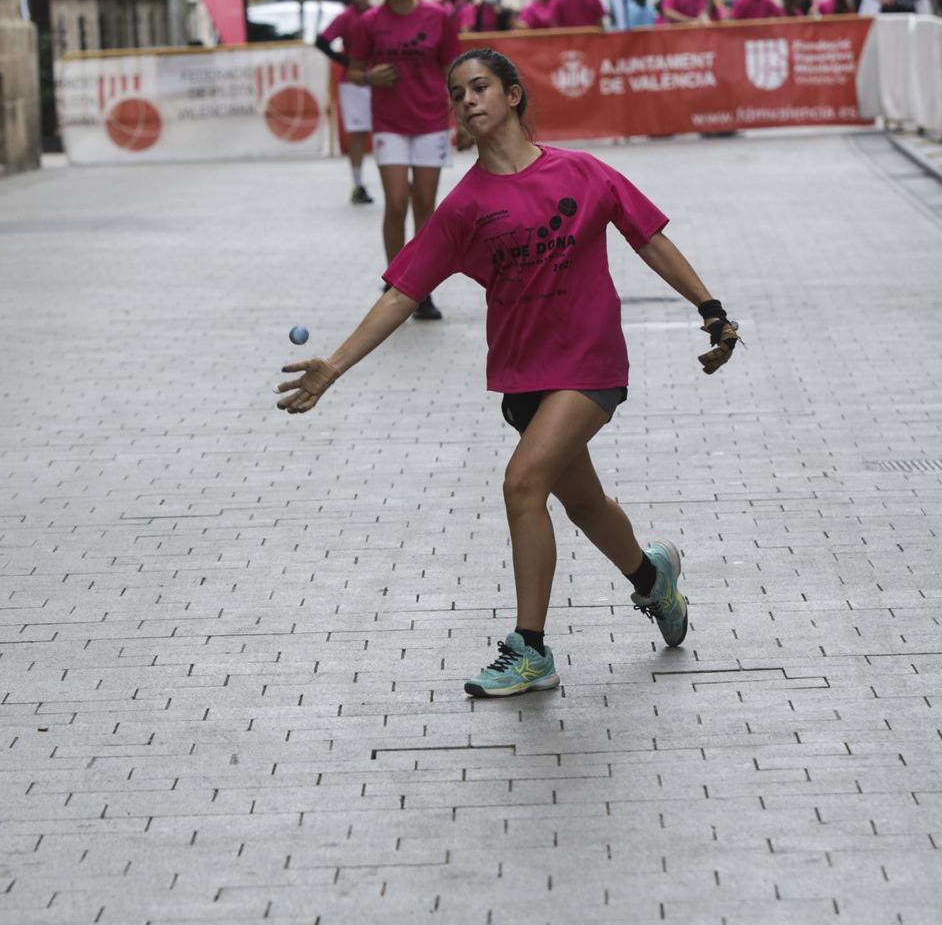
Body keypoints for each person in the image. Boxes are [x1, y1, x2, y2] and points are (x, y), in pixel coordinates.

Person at [277, 48, 739, 696]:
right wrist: (335, 365)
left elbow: (650, 236)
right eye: (457, 93)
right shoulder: (464, 207)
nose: (467, 100)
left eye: (481, 87)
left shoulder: (580, 172)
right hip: (523, 377)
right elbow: (401, 293)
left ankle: (532, 650)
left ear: (514, 95)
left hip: (590, 362)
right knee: (581, 503)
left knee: (523, 483)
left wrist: (711, 308)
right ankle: (652, 576)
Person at [344, 0, 462, 320]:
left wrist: (464, 113)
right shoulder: (369, 23)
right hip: (390, 123)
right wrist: (369, 77)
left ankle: (421, 289)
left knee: (424, 204)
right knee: (396, 202)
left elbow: (454, 67)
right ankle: (396, 282)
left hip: (430, 121)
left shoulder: (437, 17)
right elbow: (354, 71)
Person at [315, 0, 377, 205]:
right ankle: (358, 183)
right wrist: (344, 62)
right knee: (359, 134)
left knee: (385, 131)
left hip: (377, 80)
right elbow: (321, 41)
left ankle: (397, 179)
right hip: (353, 83)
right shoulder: (346, 17)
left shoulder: (377, 15)